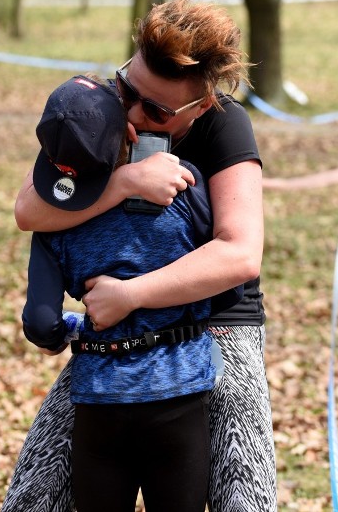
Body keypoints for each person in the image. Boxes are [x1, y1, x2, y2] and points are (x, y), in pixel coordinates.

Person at [3, 0, 277, 512]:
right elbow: (29, 211)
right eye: (128, 88)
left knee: (242, 492)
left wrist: (130, 295)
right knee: (34, 495)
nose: (130, 113)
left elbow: (240, 254)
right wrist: (126, 180)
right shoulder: (93, 108)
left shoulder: (225, 125)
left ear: (201, 106)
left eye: (154, 110)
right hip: (114, 333)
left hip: (216, 320)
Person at [23, 73, 243, 512]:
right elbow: (222, 279)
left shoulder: (54, 225)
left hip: (99, 404)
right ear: (130, 130)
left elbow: (40, 323)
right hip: (179, 394)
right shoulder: (184, 186)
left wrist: (67, 328)